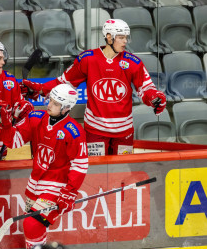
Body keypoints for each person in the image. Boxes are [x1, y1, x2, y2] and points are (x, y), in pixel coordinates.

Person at [21, 19, 167, 156]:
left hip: (124, 132)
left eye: (126, 37)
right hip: (95, 130)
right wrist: (40, 89)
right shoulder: (88, 59)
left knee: (122, 171)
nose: (125, 41)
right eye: (121, 37)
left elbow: (146, 89)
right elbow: (65, 82)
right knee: (95, 174)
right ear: (109, 37)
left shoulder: (133, 62)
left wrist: (154, 98)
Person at [0, 84, 88, 249]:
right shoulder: (36, 118)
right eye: (50, 100)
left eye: (56, 103)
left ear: (66, 108)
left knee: (32, 224)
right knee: (33, 229)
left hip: (56, 186)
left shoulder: (73, 131)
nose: (50, 105)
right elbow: (14, 141)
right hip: (35, 183)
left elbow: (80, 165)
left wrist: (68, 193)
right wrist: (5, 125)